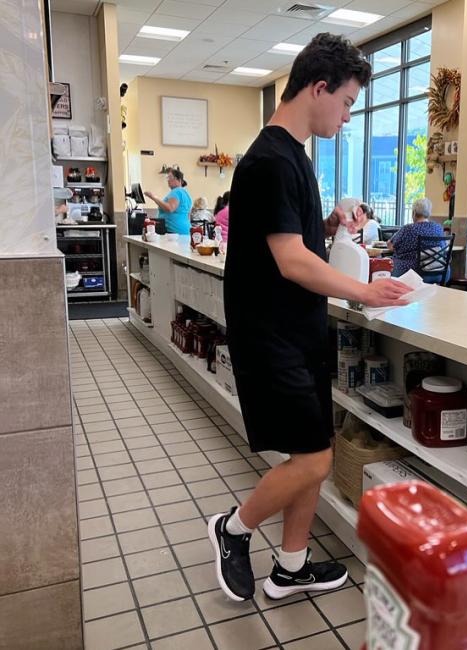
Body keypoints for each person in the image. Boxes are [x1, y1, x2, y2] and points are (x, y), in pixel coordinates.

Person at [210, 33, 411, 603]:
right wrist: (364, 291)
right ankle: (233, 529)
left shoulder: (291, 155)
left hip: (297, 332)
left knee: (309, 455)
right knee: (317, 458)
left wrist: (330, 226)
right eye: (347, 102)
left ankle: (291, 566)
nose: (348, 116)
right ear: (318, 88)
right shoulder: (270, 159)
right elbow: (291, 261)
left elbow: (294, 237)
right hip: (271, 333)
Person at [388, 197, 444, 276]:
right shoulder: (438, 228)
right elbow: (443, 248)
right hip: (439, 272)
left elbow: (391, 245)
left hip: (412, 273)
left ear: (414, 212)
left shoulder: (408, 229)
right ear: (429, 213)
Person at [144, 168, 192, 235]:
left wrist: (153, 197)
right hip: (185, 231)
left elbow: (170, 208)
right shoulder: (186, 194)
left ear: (178, 180)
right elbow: (188, 216)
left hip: (174, 232)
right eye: (167, 178)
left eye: (170, 177)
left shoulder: (176, 191)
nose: (168, 180)